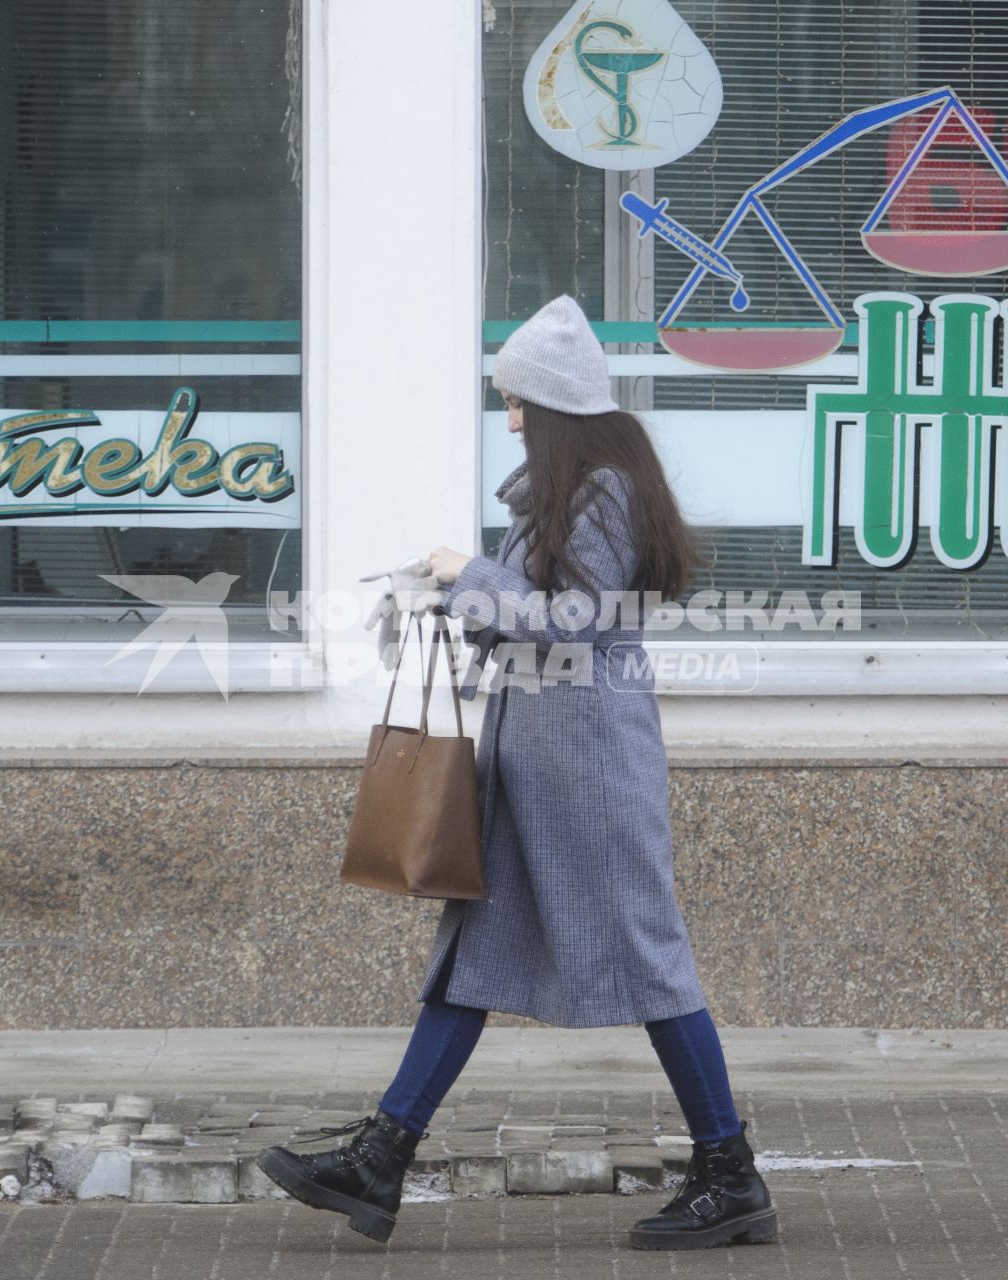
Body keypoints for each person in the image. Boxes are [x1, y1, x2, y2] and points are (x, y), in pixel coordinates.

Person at [258, 294, 777, 1251]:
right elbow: (533, 616)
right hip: (534, 758)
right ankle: (380, 1158)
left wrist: (472, 576)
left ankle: (730, 1174)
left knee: (648, 960)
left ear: (550, 407)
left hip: (588, 763)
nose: (507, 420)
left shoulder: (605, 489)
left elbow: (572, 618)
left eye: (514, 403)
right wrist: (433, 597)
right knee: (471, 957)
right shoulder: (566, 493)